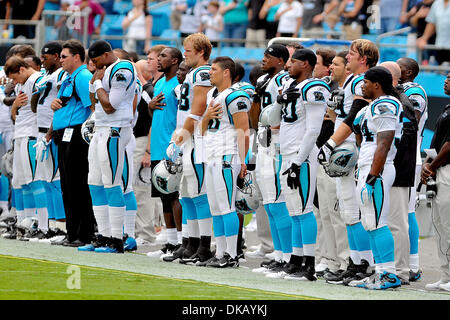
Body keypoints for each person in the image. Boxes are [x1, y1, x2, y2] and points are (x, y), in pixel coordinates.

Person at [318, 39, 379, 285]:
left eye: (352, 53)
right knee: (348, 212)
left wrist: (331, 144)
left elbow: (354, 117)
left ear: (363, 59)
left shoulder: (358, 81)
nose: (348, 57)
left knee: (353, 211)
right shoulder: (352, 81)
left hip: (352, 150)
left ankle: (363, 263)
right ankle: (356, 262)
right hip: (350, 148)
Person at [276, 49, 330, 281]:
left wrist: (298, 161)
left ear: (307, 64)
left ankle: (309, 265)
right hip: (288, 151)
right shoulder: (291, 85)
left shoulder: (313, 87)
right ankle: (296, 260)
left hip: (302, 155)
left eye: (293, 61)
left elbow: (314, 129)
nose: (288, 65)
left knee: (304, 209)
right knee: (294, 210)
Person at [78, 40, 137, 253]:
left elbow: (110, 105)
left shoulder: (123, 68)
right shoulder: (106, 71)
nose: (93, 65)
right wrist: (95, 84)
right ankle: (103, 235)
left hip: (115, 129)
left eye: (95, 60)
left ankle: (116, 238)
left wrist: (99, 84)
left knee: (112, 183)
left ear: (106, 54)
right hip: (101, 128)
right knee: (94, 182)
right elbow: (95, 103)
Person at [352, 66, 404, 290]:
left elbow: (384, 142)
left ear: (377, 84)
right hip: (368, 167)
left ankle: (389, 275)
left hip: (378, 170)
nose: (362, 86)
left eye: (365, 82)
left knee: (378, 222)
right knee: (370, 222)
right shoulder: (371, 106)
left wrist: (373, 176)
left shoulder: (386, 104)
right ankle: (380, 271)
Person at [199, 56, 250, 267]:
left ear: (226, 72)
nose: (209, 73)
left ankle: (231, 254)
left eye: (213, 69)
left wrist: (243, 160)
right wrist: (206, 116)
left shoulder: (235, 96)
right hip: (212, 154)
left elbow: (243, 131)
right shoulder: (212, 93)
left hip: (227, 155)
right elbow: (202, 129)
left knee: (227, 206)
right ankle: (220, 253)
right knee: (215, 208)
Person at [45, 39, 96, 247]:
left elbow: (92, 107)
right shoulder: (68, 78)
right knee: (67, 185)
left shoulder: (83, 77)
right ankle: (72, 232)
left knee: (78, 185)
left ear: (77, 57)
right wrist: (55, 104)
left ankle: (83, 234)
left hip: (76, 136)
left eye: (64, 56)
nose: (61, 59)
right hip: (64, 135)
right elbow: (68, 103)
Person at [169, 33, 214, 265]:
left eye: (188, 50)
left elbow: (197, 112)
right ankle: (189, 242)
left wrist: (179, 139)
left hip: (196, 138)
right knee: (186, 194)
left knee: (198, 193)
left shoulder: (202, 72)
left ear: (201, 52)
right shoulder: (193, 73)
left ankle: (203, 246)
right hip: (186, 137)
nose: (184, 53)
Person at [248, 44, 293, 276]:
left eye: (269, 56)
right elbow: (255, 117)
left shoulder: (285, 79)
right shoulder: (263, 79)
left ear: (281, 60)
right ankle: (278, 254)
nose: (263, 59)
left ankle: (287, 256)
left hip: (277, 143)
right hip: (263, 140)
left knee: (278, 200)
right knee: (269, 201)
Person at [378, 61, 418, 286]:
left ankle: (401, 270)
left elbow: (404, 140)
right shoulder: (392, 100)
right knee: (387, 220)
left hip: (398, 170)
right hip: (392, 168)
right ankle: (389, 268)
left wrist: (392, 166)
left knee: (396, 221)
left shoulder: (401, 102)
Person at [145, 47, 184, 260]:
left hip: (172, 147)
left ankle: (181, 240)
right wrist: (150, 106)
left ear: (175, 60)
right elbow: (155, 112)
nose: (159, 60)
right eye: (158, 56)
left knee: (175, 196)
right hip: (157, 147)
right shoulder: (159, 83)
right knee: (163, 196)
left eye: (163, 56)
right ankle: (170, 241)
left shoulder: (179, 84)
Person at [29, 41, 68, 243]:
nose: (42, 61)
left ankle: (60, 227)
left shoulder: (61, 74)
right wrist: (37, 92)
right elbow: (35, 105)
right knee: (46, 180)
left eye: (46, 57)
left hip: (51, 132)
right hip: (40, 130)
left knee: (55, 180)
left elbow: (62, 101)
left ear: (56, 56)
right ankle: (50, 225)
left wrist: (51, 133)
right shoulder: (45, 76)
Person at [320, 50, 351, 280]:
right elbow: (330, 120)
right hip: (326, 155)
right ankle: (331, 259)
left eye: (336, 64)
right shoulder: (334, 90)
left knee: (341, 214)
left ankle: (345, 261)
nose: (331, 68)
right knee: (328, 213)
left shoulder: (354, 90)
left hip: (341, 156)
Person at [3, 56, 42, 239]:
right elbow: (14, 114)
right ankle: (23, 223)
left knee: (33, 180)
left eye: (14, 77)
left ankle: (40, 224)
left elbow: (41, 109)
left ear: (21, 69)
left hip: (31, 134)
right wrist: (14, 106)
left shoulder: (37, 80)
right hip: (20, 133)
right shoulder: (22, 84)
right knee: (19, 181)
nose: (14, 82)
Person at [397, 56, 427, 282]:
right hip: (394, 157)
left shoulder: (414, 91)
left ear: (407, 72)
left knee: (407, 210)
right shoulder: (397, 89)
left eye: (398, 67)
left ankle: (413, 265)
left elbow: (410, 120)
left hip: (409, 157)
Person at [421, 72, 450, 292]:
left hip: (447, 169)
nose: (446, 80)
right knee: (440, 226)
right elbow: (438, 142)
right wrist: (428, 163)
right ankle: (446, 275)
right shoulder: (448, 107)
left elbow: (449, 145)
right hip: (440, 169)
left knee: (448, 225)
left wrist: (431, 165)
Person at [416, 0, 450, 65]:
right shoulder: (437, 3)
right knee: (441, 72)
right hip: (440, 45)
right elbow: (432, 23)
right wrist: (424, 39)